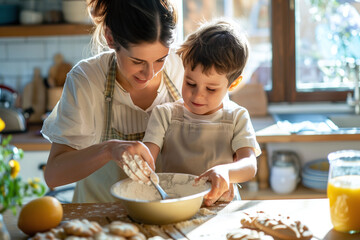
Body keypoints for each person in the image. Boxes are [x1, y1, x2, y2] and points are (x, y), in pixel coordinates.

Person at [41, 0, 184, 203]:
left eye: (160, 59)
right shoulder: (87, 80)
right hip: (101, 216)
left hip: (169, 211)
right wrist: (109, 149)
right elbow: (54, 175)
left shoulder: (182, 68)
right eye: (137, 61)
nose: (150, 73)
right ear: (110, 38)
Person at [142, 19, 261, 206]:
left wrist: (227, 172)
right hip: (173, 204)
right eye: (190, 83)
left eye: (211, 89)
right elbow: (147, 161)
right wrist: (139, 164)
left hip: (221, 206)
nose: (197, 95)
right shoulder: (164, 115)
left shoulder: (237, 117)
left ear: (234, 84)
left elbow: (249, 166)